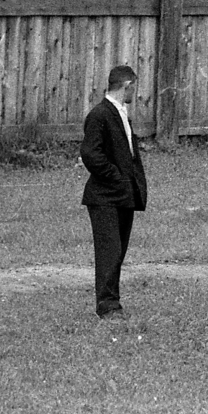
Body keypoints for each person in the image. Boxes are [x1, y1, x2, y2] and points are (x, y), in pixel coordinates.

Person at [80, 64, 148, 319]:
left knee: (118, 250)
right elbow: (90, 154)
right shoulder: (100, 115)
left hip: (123, 196)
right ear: (127, 85)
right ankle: (107, 306)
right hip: (104, 196)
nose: (135, 93)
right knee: (109, 251)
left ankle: (113, 300)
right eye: (134, 87)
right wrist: (115, 176)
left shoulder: (121, 113)